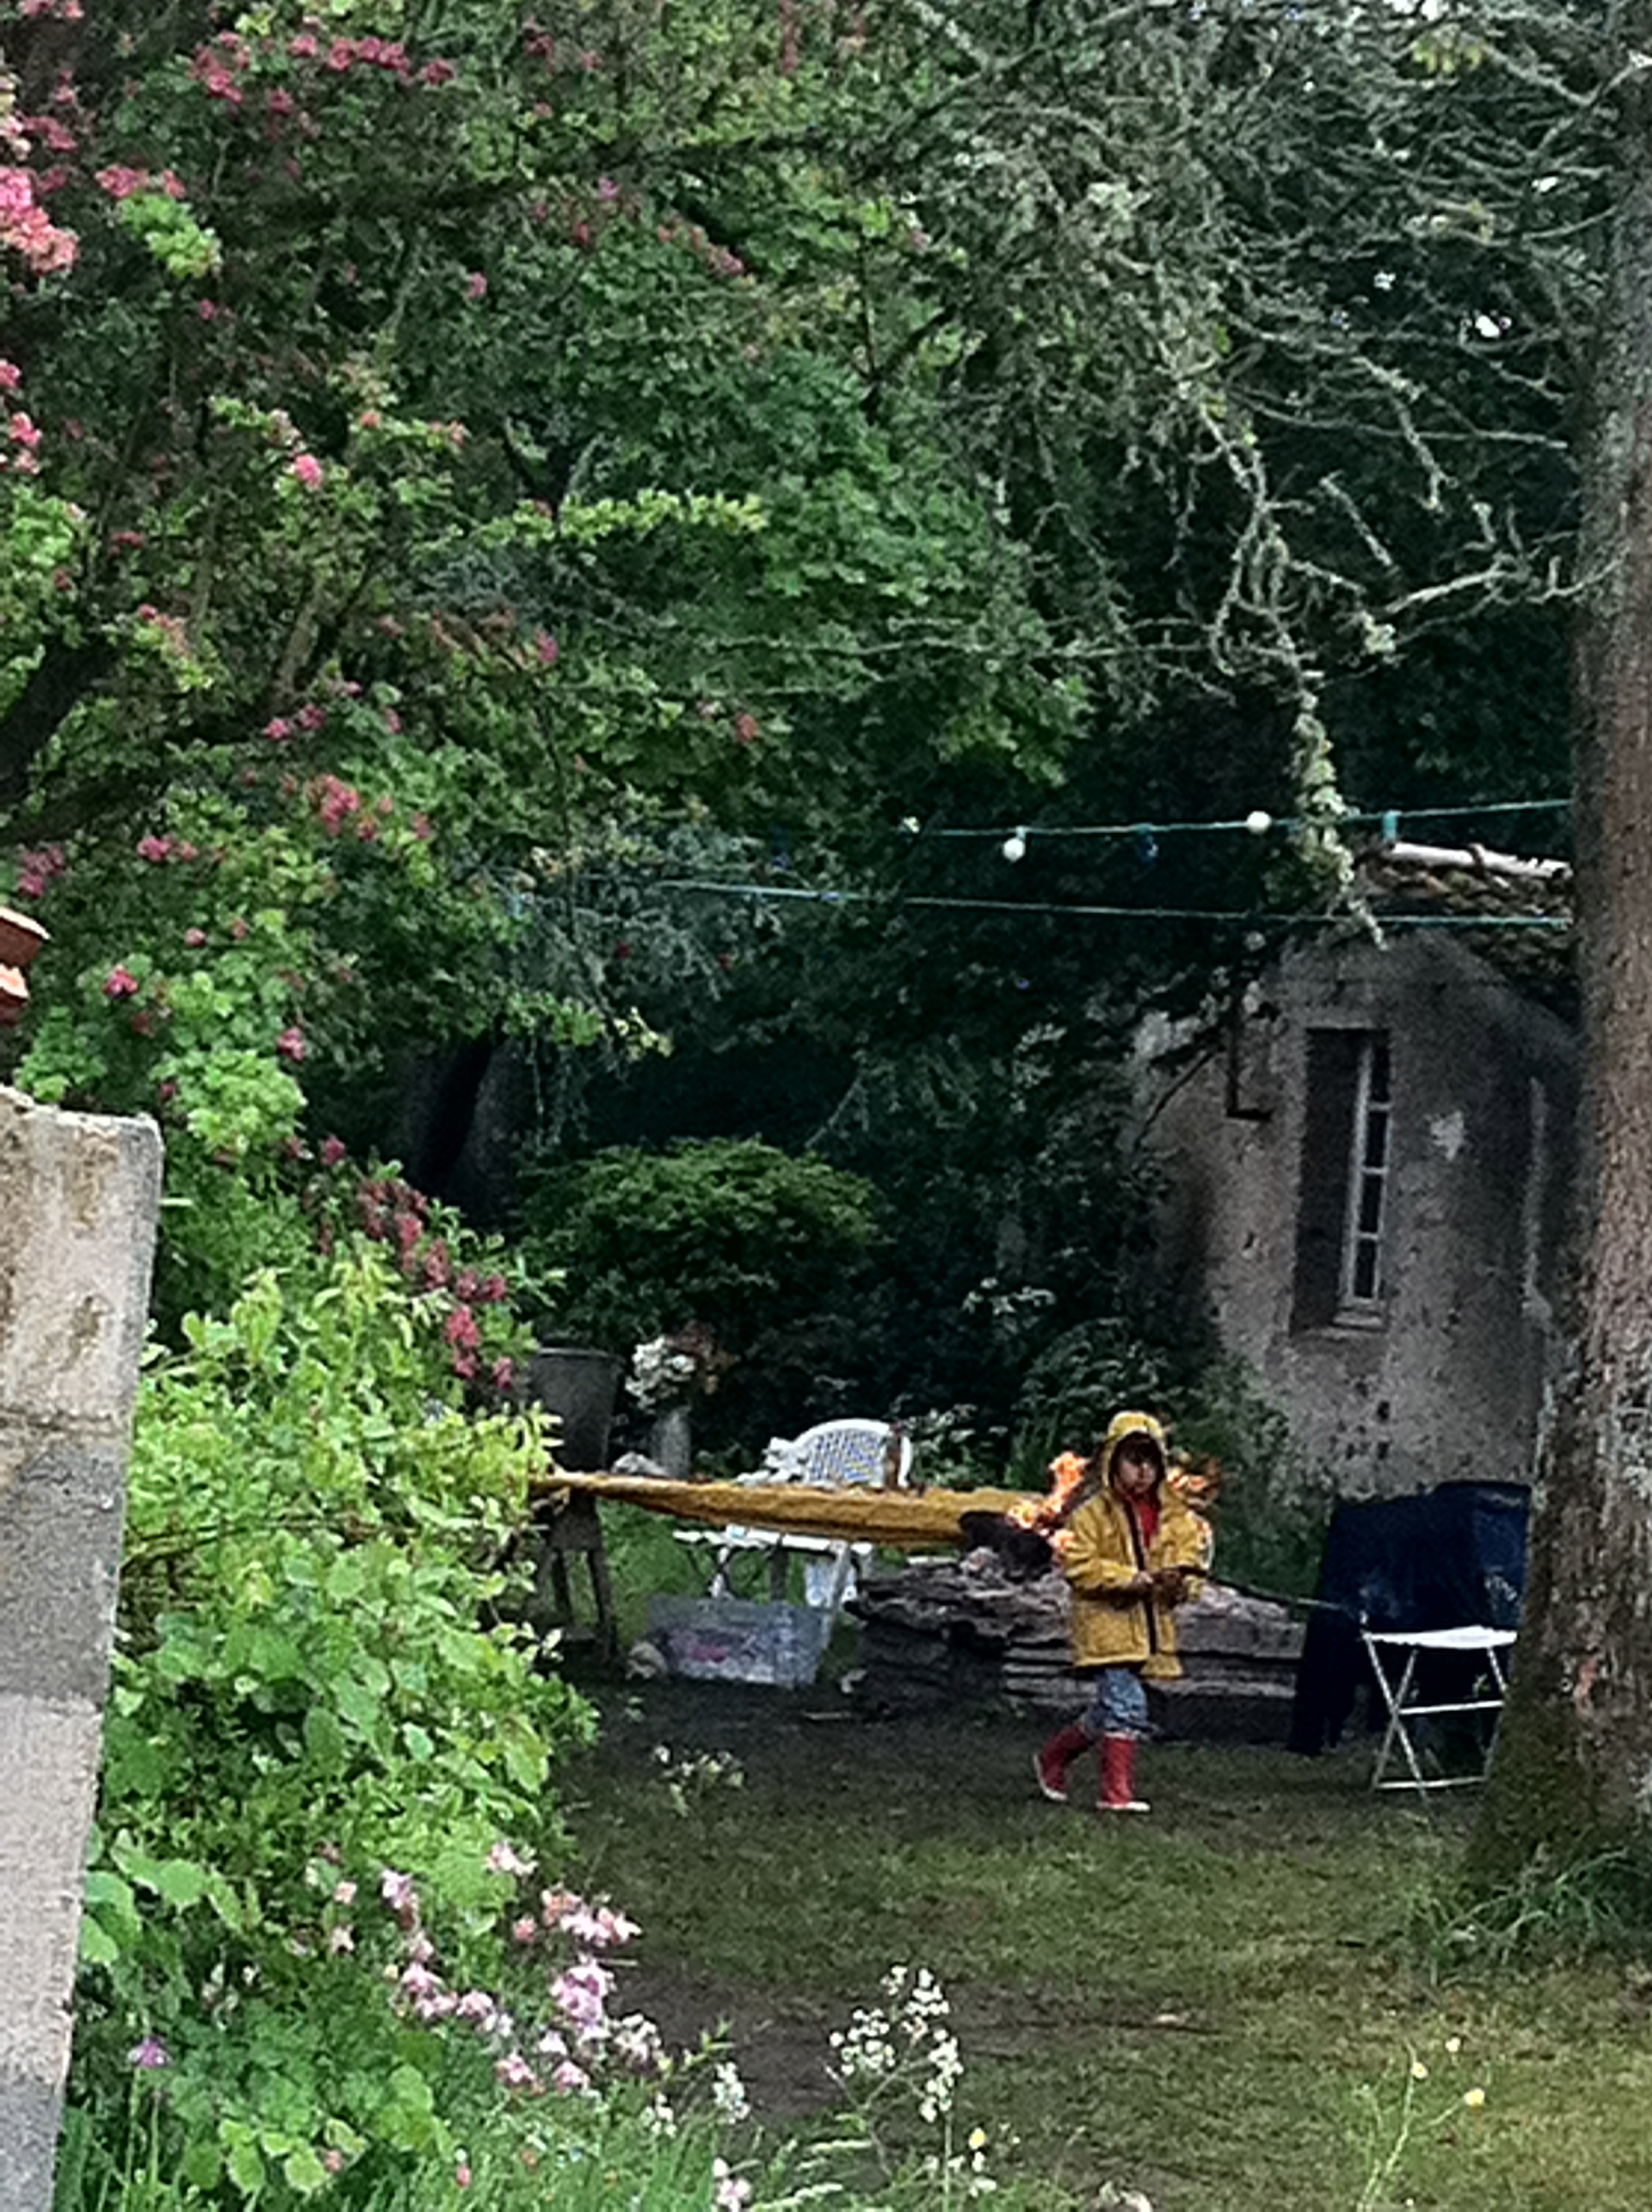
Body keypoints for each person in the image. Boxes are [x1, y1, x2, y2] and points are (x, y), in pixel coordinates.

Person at [1032, 1409, 1211, 1815]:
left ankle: (1053, 1758)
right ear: (1114, 1462)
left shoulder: (1175, 1518)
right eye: (1133, 1461)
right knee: (1128, 1706)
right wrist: (1134, 1580)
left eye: (1151, 1462)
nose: (1143, 1472)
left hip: (1149, 1630)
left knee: (1110, 1709)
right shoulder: (1090, 1515)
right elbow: (1081, 1568)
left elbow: (1190, 1563)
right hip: (1107, 1625)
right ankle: (1116, 1794)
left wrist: (1179, 1583)